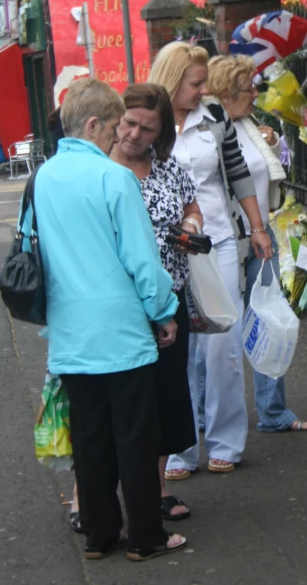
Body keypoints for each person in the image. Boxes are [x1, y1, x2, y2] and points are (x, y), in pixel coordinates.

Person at [23, 78, 186, 562]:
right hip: (120, 331)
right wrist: (164, 312)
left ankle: (98, 533)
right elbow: (140, 259)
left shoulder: (43, 177)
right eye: (115, 127)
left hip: (70, 334)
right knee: (136, 437)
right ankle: (146, 537)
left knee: (90, 440)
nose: (120, 137)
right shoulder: (114, 179)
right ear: (94, 124)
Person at [148, 41, 273, 477]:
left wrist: (257, 228)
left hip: (216, 242)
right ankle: (181, 448)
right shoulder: (149, 121)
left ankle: (226, 440)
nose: (203, 91)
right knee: (176, 349)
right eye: (195, 83)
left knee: (223, 344)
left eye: (204, 83)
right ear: (172, 80)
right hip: (165, 251)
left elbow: (237, 170)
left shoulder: (216, 116)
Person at [207, 54, 307, 433]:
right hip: (223, 241)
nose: (255, 94)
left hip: (260, 237)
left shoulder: (252, 125)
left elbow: (267, 175)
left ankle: (274, 412)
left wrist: (272, 139)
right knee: (218, 327)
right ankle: (209, 414)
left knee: (268, 319)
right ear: (223, 93)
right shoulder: (208, 132)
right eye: (246, 89)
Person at [111, 82, 201, 521]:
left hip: (169, 298)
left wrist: (190, 226)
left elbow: (193, 206)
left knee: (164, 393)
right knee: (113, 399)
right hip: (118, 304)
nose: (135, 134)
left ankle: (158, 488)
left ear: (161, 131)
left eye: (148, 128)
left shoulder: (167, 168)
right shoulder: (101, 169)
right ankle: (86, 492)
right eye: (129, 122)